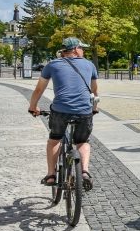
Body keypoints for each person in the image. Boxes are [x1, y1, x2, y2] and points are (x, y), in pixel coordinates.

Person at [28, 37, 99, 191]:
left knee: (54, 140)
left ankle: (51, 175)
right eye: (82, 48)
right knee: (82, 142)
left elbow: (39, 89)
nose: (83, 51)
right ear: (75, 49)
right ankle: (85, 172)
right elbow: (94, 91)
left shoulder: (52, 65)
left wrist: (33, 107)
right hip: (84, 111)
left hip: (60, 110)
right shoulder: (89, 65)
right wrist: (94, 108)